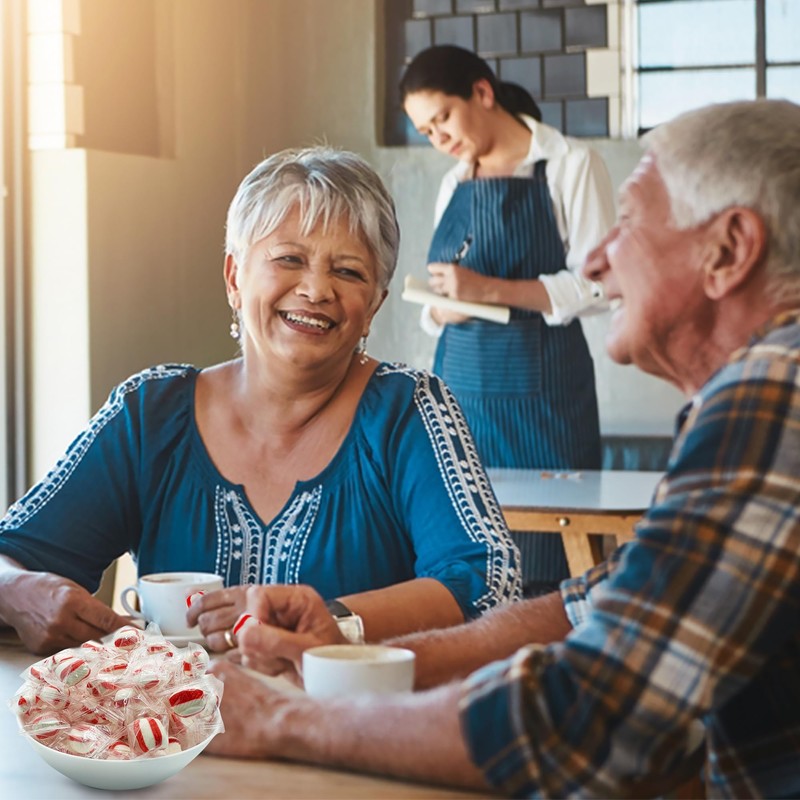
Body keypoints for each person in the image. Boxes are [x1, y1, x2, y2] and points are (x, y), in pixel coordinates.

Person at [203, 100, 800, 798]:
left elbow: (584, 718)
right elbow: (585, 608)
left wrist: (287, 720)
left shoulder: (777, 390)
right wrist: (349, 653)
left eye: (630, 222)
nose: (598, 260)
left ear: (728, 250)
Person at [0, 146, 522, 656]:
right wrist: (19, 592)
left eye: (348, 272)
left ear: (373, 307)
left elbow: (489, 582)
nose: (317, 290)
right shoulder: (149, 412)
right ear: (234, 277)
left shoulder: (409, 410)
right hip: (168, 736)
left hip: (347, 735)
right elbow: (12, 554)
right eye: (289, 259)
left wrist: (335, 621)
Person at [401, 46, 616, 593]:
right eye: (427, 131)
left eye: (443, 118)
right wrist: (442, 304)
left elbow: (599, 284)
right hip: (463, 399)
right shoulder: (455, 184)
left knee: (552, 566)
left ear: (482, 92)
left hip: (547, 404)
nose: (439, 139)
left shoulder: (571, 164)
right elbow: (443, 304)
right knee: (467, 558)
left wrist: (487, 290)